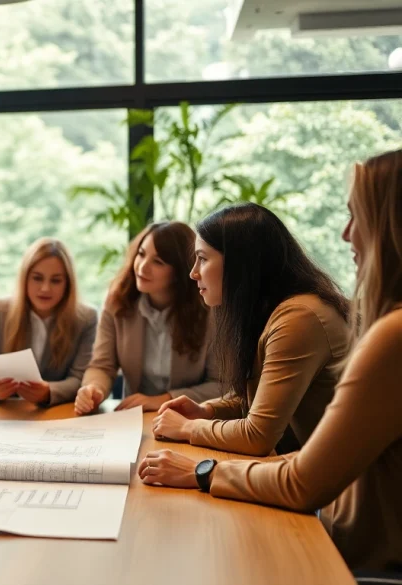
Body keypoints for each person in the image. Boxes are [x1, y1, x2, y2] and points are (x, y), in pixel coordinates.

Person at [137, 149, 402, 572]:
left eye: (202, 259)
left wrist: (199, 465)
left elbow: (279, 456)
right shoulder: (280, 313)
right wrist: (205, 412)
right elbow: (254, 403)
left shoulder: (309, 319)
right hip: (341, 523)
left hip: (360, 552)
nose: (346, 235)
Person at [150, 203, 350, 456]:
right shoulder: (274, 311)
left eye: (202, 259)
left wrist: (189, 427)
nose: (193, 273)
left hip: (339, 487)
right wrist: (208, 411)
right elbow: (260, 399)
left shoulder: (299, 318)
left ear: (240, 263)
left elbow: (258, 436)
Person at [74, 222, 221, 415]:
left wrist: (165, 399)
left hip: (188, 419)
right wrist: (94, 390)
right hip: (134, 419)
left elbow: (221, 384)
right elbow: (102, 365)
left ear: (180, 270)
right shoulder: (117, 302)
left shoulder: (209, 311)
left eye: (158, 262)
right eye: (141, 254)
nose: (142, 267)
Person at [0, 237, 98, 406]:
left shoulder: (86, 318)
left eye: (56, 280)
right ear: (25, 279)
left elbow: (82, 380)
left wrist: (49, 392)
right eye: (37, 278)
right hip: (6, 413)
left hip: (56, 415)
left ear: (68, 284)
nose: (45, 288)